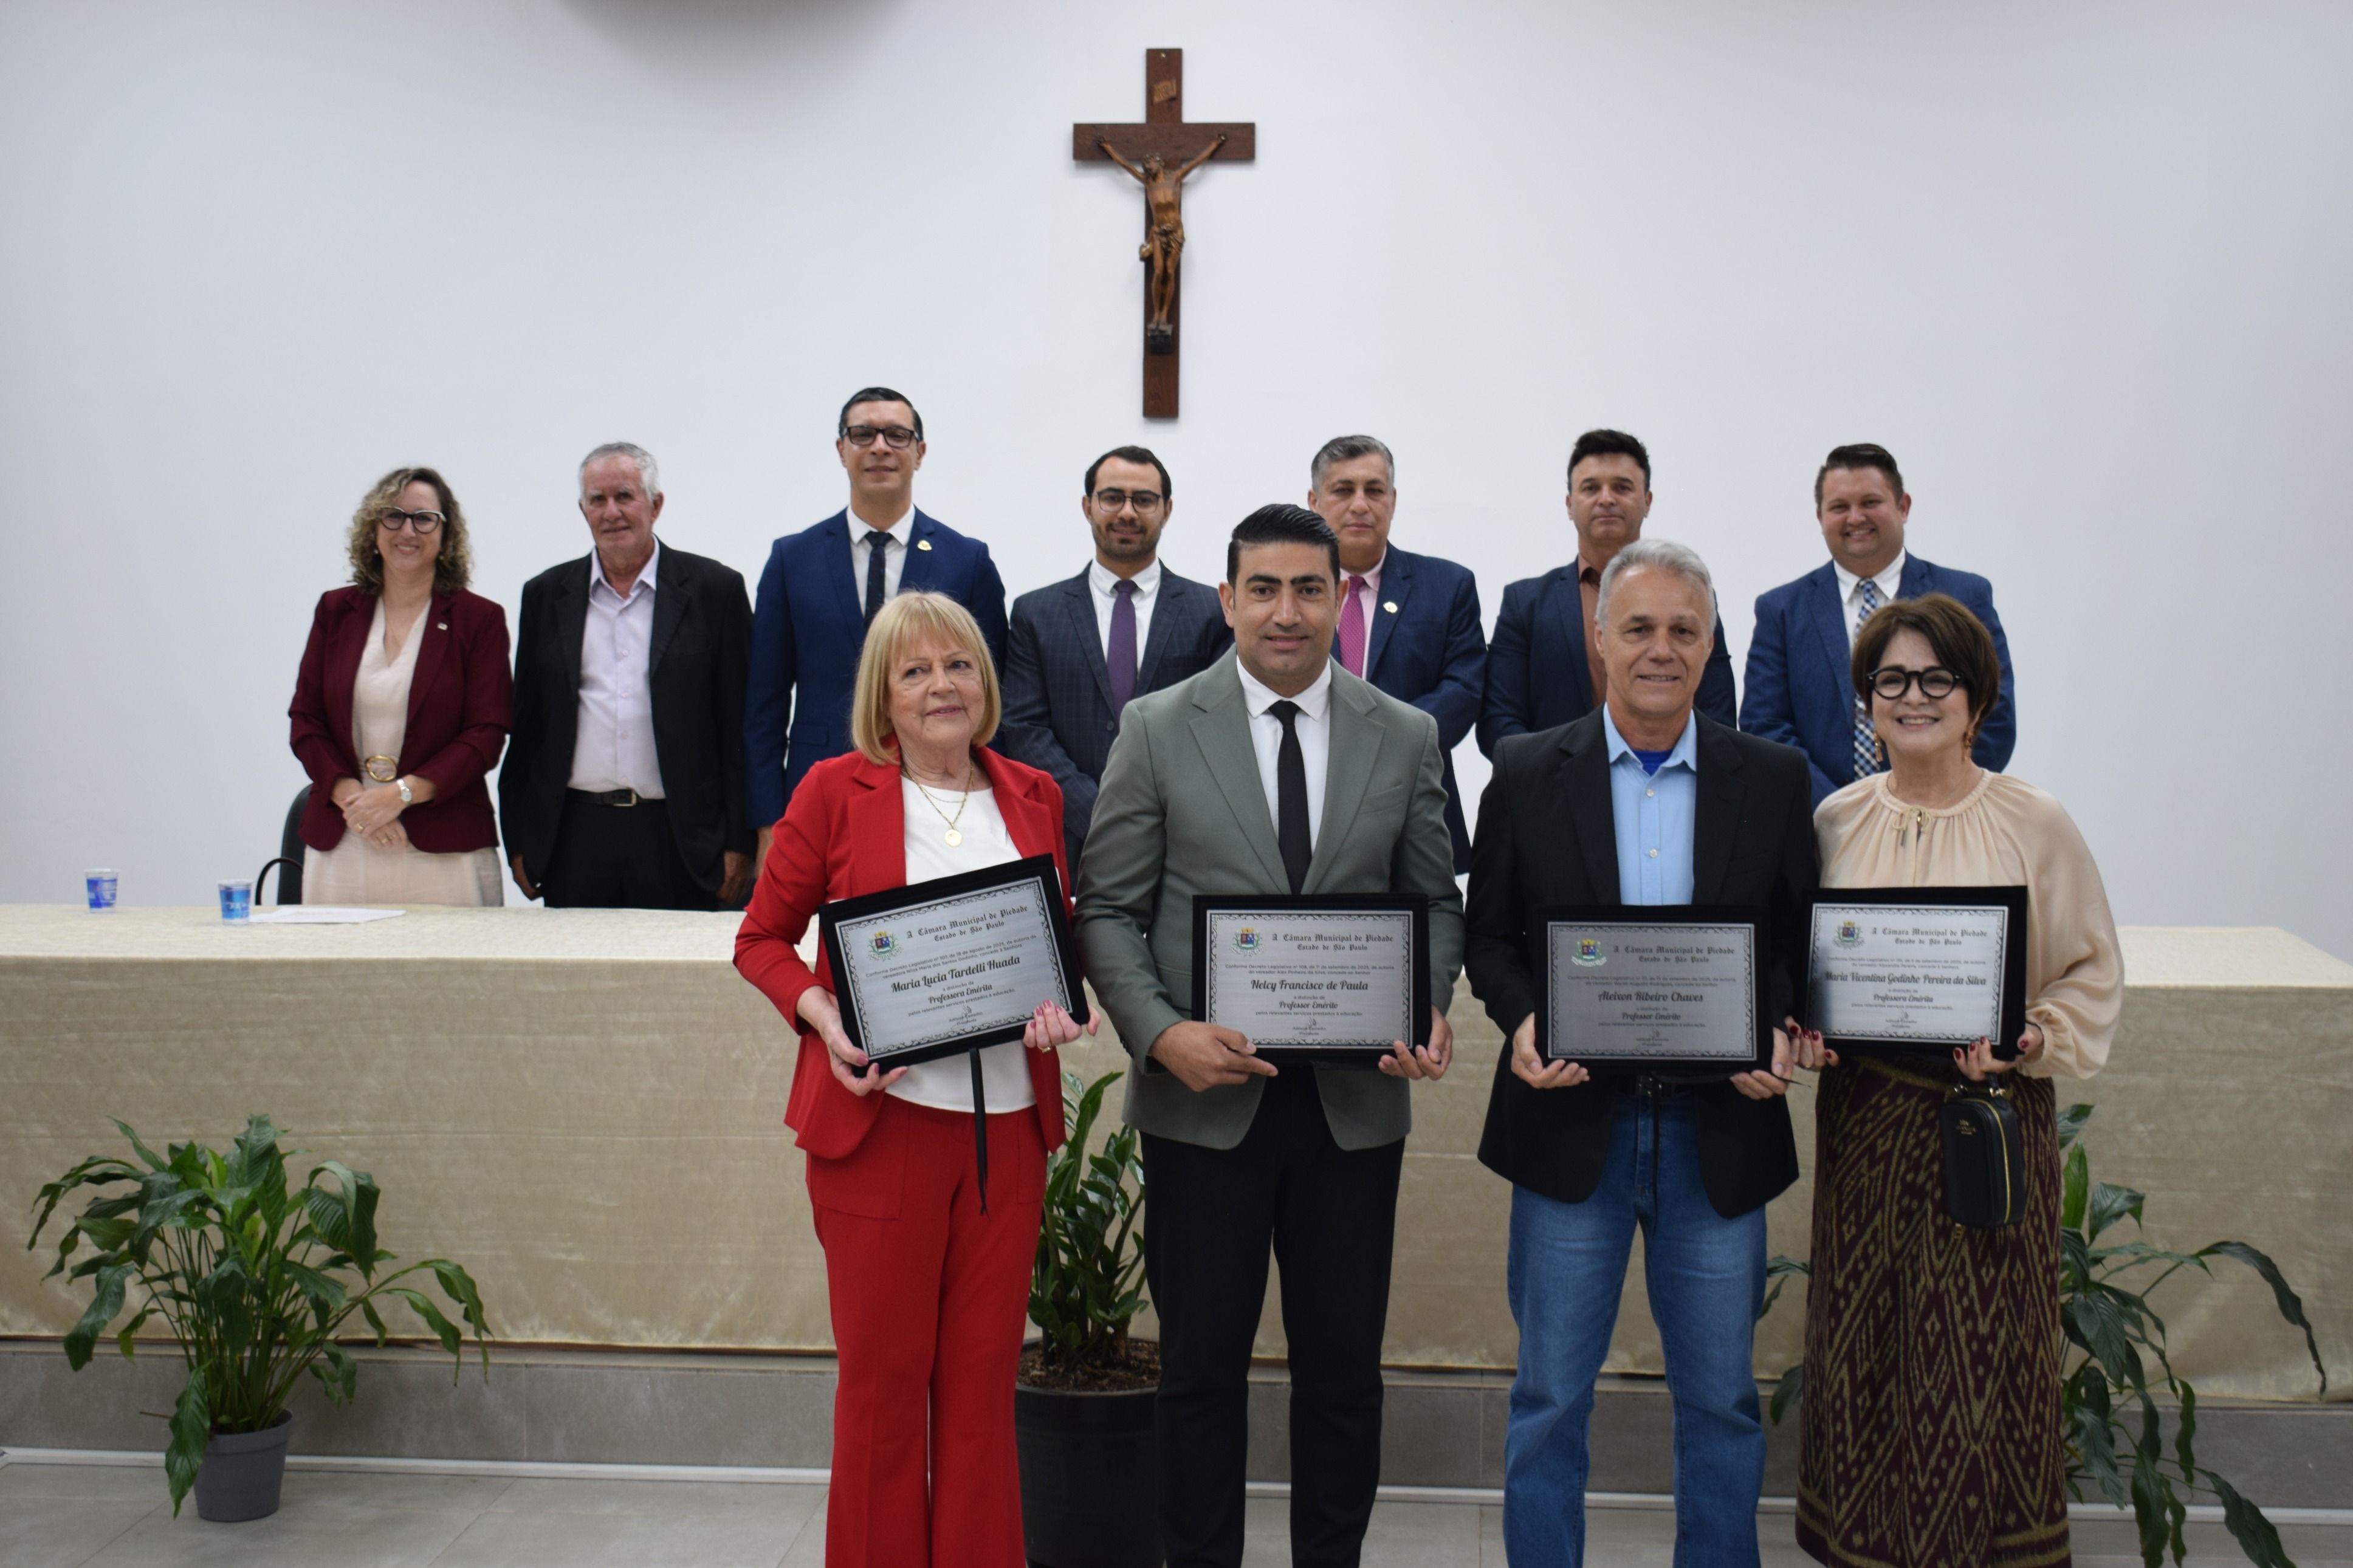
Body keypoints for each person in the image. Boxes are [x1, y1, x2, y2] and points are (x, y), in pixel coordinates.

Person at [1076, 505, 1465, 1568]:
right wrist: (1161, 1035)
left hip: (1353, 1109)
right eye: (1263, 588)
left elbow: (1435, 901)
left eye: (1308, 588)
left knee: (1342, 1378)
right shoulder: (1157, 726)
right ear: (1227, 599)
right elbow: (1106, 910)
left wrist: (1425, 1002)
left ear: (1341, 599)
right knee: (1199, 1374)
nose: (1285, 611)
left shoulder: (1405, 732)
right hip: (1203, 1107)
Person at [1466, 538, 1816, 1567]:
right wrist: (1522, 1019)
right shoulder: (1526, 771)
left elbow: (1794, 941)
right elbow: (1489, 939)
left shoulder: (1773, 777)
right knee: (1548, 1397)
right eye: (1640, 628)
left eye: (1683, 630)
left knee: (1720, 1400)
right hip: (1571, 1127)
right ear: (1599, 639)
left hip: (1720, 1133)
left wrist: (1774, 1022)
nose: (1661, 648)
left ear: (1710, 646)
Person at [734, 592, 1087, 1568]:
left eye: (959, 665)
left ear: (987, 681)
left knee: (980, 1393)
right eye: (916, 671)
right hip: (880, 1131)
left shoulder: (1035, 794)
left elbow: (1055, 939)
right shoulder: (833, 791)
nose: (942, 687)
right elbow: (761, 940)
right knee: (885, 1395)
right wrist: (825, 1020)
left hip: (1008, 1132)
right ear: (882, 694)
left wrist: (1066, 1005)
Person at [1788, 592, 2117, 1568]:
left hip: (1986, 1119)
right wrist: (1806, 1023)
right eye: (1891, 679)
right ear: (1867, 701)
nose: (1914, 696)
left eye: (1939, 678)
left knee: (1976, 1354)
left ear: (1977, 698)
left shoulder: (2033, 819)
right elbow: (1805, 963)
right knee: (1867, 1344)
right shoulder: (1836, 818)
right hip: (1866, 1120)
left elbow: (2091, 967)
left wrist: (2030, 1037)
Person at [745, 387, 1009, 866]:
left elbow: (991, 695)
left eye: (897, 435)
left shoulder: (966, 561)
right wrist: (767, 821)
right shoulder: (792, 559)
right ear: (841, 449)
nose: (880, 447)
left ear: (920, 452)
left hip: (938, 794)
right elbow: (763, 703)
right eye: (863, 434)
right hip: (816, 789)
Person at [501, 442, 755, 909]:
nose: (611, 512)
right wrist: (518, 840)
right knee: (575, 960)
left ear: (655, 505)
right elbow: (528, 729)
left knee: (677, 959)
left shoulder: (715, 591)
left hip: (682, 837)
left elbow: (741, 727)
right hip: (574, 836)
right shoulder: (545, 595)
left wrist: (742, 841)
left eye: (625, 496)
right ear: (583, 510)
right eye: (597, 500)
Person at [1741, 443, 2016, 807]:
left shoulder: (1965, 596)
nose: (1855, 518)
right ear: (1820, 517)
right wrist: (1842, 811)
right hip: (1821, 824)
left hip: (1945, 817)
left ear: (1903, 507)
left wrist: (1930, 800)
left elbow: (1993, 714)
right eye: (1839, 507)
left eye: (1870, 503)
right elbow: (1765, 727)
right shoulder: (1781, 610)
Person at [997, 445, 1231, 868]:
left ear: (1167, 510)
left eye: (1143, 500)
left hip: (1179, 840)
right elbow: (1025, 728)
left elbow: (1215, 726)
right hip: (1070, 840)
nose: (1127, 512)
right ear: (1088, 506)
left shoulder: (1211, 612)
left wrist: (1157, 816)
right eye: (1112, 498)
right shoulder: (1036, 613)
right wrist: (1097, 814)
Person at [288, 467, 510, 905]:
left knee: (451, 955)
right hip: (346, 835)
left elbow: (486, 733)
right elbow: (305, 719)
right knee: (334, 954)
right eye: (393, 516)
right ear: (373, 529)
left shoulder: (479, 619)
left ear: (446, 535)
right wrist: (355, 800)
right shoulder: (335, 611)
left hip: (442, 845)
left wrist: (400, 795)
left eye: (424, 519)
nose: (407, 531)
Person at [1480, 430, 1736, 758]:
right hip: (1552, 785)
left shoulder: (1692, 599)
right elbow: (1498, 719)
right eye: (1591, 488)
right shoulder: (1526, 604)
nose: (1606, 499)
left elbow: (1718, 714)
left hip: (1668, 777)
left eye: (1622, 487)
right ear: (1570, 504)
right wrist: (1551, 774)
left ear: (1647, 501)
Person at [1305, 434, 1486, 872]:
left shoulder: (1448, 585)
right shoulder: (1288, 592)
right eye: (1343, 490)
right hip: (1308, 799)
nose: (1360, 505)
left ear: (1393, 499)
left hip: (1415, 802)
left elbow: (1463, 689)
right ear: (1314, 502)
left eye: (1374, 490)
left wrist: (1378, 741)